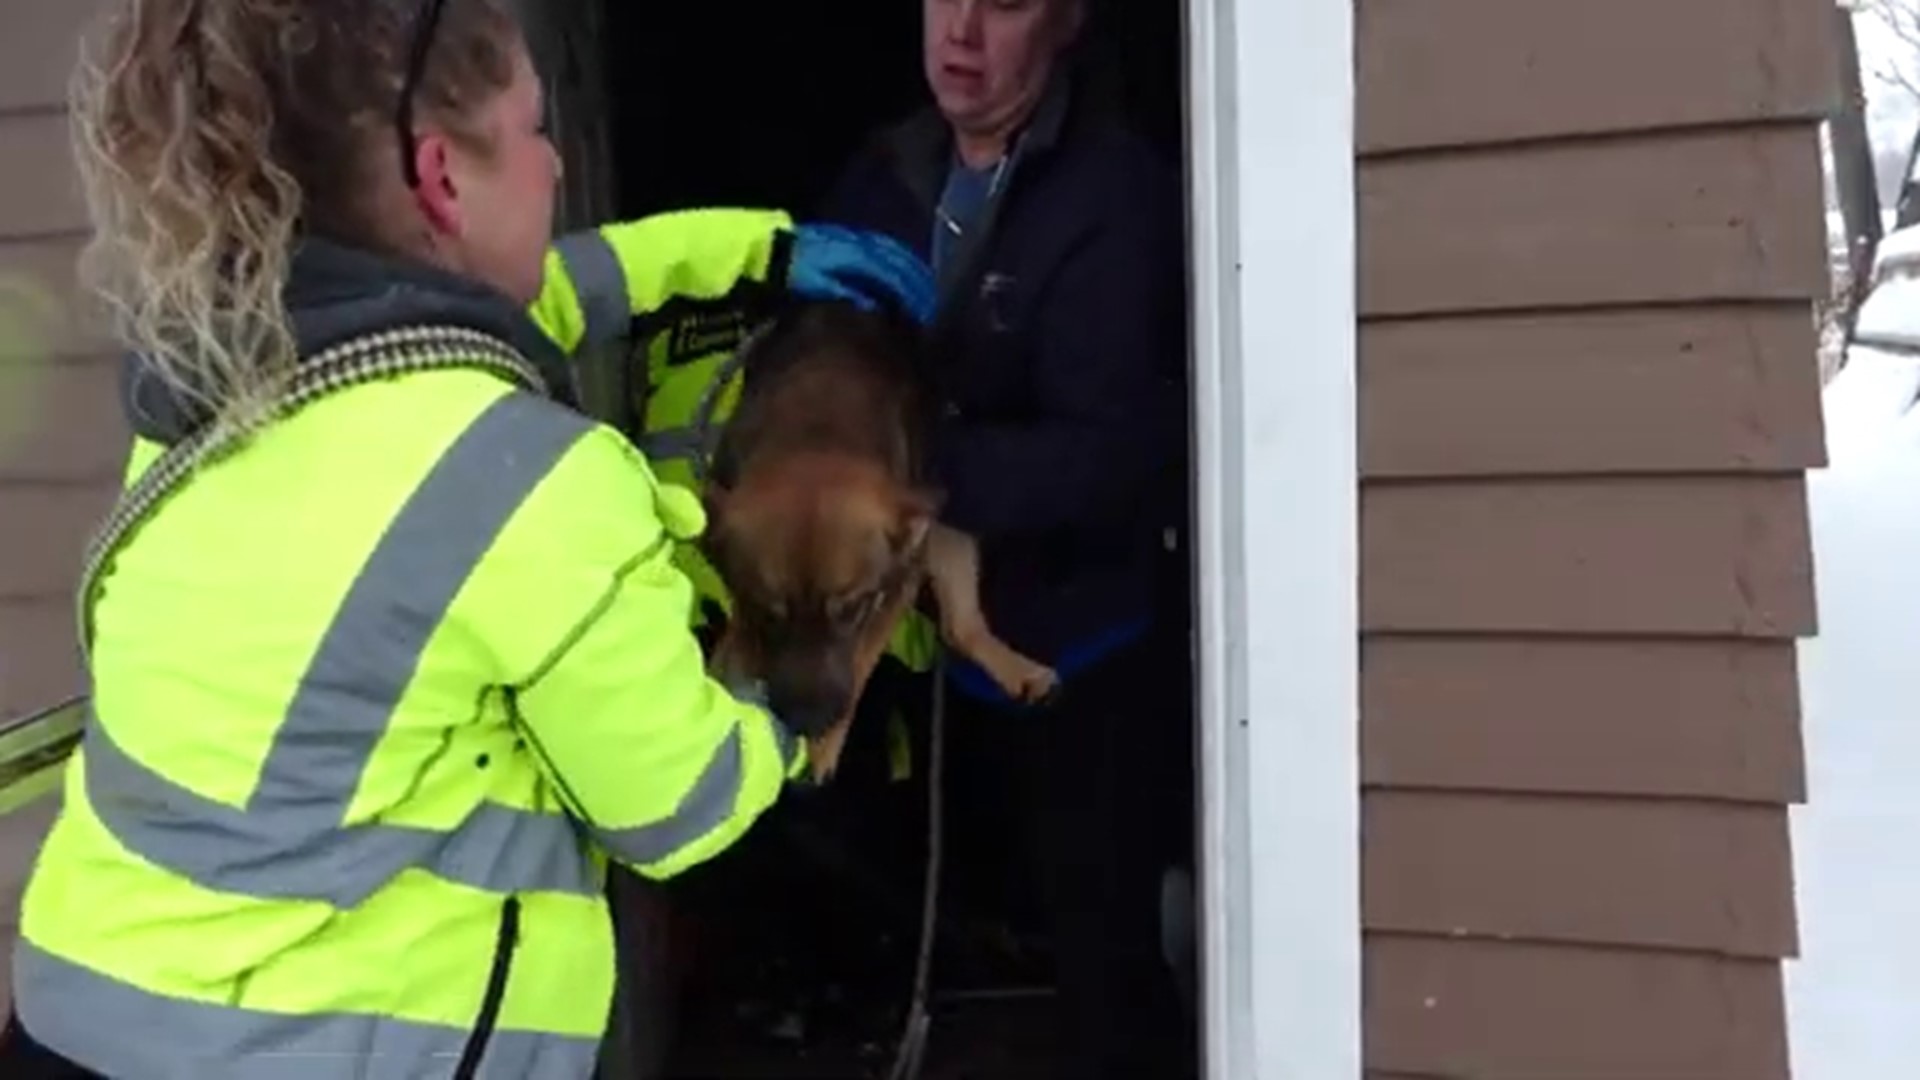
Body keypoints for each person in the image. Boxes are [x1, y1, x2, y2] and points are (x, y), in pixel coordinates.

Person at [0, 1, 935, 1078]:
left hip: (73, 1018)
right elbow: (683, 804)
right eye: (536, 131)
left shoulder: (226, 385)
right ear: (444, 176)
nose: (552, 166)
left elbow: (543, 299)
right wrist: (795, 713)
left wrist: (754, 250)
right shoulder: (529, 483)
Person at [815, 0, 1194, 1077]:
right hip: (910, 638)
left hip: (1079, 643)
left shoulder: (1117, 201)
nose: (961, 32)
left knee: (1099, 950)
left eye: (1008, 3)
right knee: (929, 910)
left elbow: (1113, 450)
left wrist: (904, 469)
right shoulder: (885, 171)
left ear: (1068, 23)